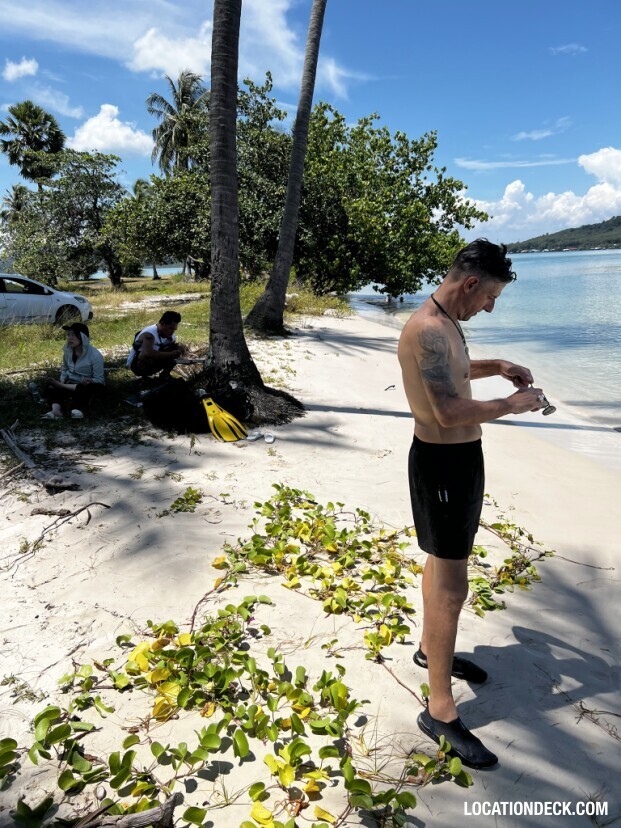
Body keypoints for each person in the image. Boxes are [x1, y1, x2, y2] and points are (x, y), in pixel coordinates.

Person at [398, 239, 546, 769]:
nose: (490, 306)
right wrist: (511, 404)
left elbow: (457, 370)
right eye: (490, 297)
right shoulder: (429, 329)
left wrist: (499, 365)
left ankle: (427, 650)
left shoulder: (445, 320)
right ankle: (439, 710)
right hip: (443, 466)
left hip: (459, 464)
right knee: (453, 588)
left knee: (440, 559)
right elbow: (447, 410)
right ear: (470, 284)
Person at [42, 322, 105, 419]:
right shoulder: (68, 351)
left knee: (86, 389)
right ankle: (56, 411)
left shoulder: (95, 355)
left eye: (74, 335)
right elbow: (65, 368)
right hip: (69, 383)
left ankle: (77, 409)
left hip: (84, 386)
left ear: (82, 337)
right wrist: (62, 379)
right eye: (68, 335)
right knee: (50, 386)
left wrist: (90, 380)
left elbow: (100, 380)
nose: (70, 338)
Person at [126, 310, 189, 378]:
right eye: (170, 328)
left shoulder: (171, 336)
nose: (172, 332)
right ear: (162, 323)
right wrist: (171, 354)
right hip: (137, 366)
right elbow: (146, 354)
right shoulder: (149, 335)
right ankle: (145, 378)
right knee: (145, 355)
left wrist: (180, 349)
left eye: (174, 329)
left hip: (154, 363)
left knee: (178, 347)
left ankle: (165, 374)